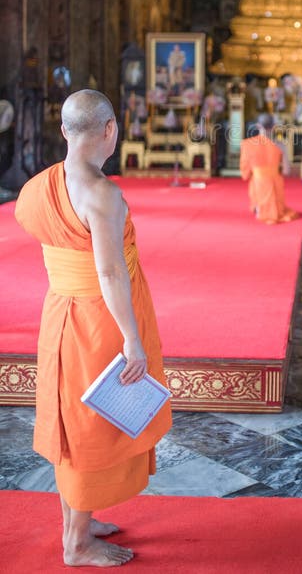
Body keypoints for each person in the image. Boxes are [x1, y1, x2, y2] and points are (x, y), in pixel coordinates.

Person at [14, 89, 171, 567]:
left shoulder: (37, 185)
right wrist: (131, 339)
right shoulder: (102, 193)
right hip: (97, 321)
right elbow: (108, 273)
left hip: (59, 313)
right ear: (110, 130)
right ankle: (77, 543)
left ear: (63, 130)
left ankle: (76, 520)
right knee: (91, 427)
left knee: (72, 419)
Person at [239, 113, 298, 224]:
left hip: (258, 184)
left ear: (258, 126)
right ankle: (270, 208)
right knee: (275, 187)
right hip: (275, 184)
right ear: (274, 126)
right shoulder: (280, 145)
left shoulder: (248, 144)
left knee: (255, 180)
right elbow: (286, 171)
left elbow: (245, 174)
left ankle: (259, 208)